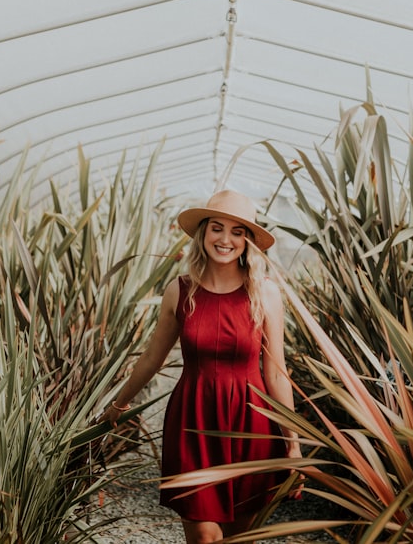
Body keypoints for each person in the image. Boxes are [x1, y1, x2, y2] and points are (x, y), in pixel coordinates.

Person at [102, 189, 302, 544]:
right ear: (203, 233)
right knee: (204, 534)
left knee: (241, 536)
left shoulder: (265, 293)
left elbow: (275, 372)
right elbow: (152, 357)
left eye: (237, 232)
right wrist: (118, 405)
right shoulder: (179, 291)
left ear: (248, 241)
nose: (226, 239)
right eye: (217, 228)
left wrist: (293, 443)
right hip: (192, 422)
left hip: (251, 423)